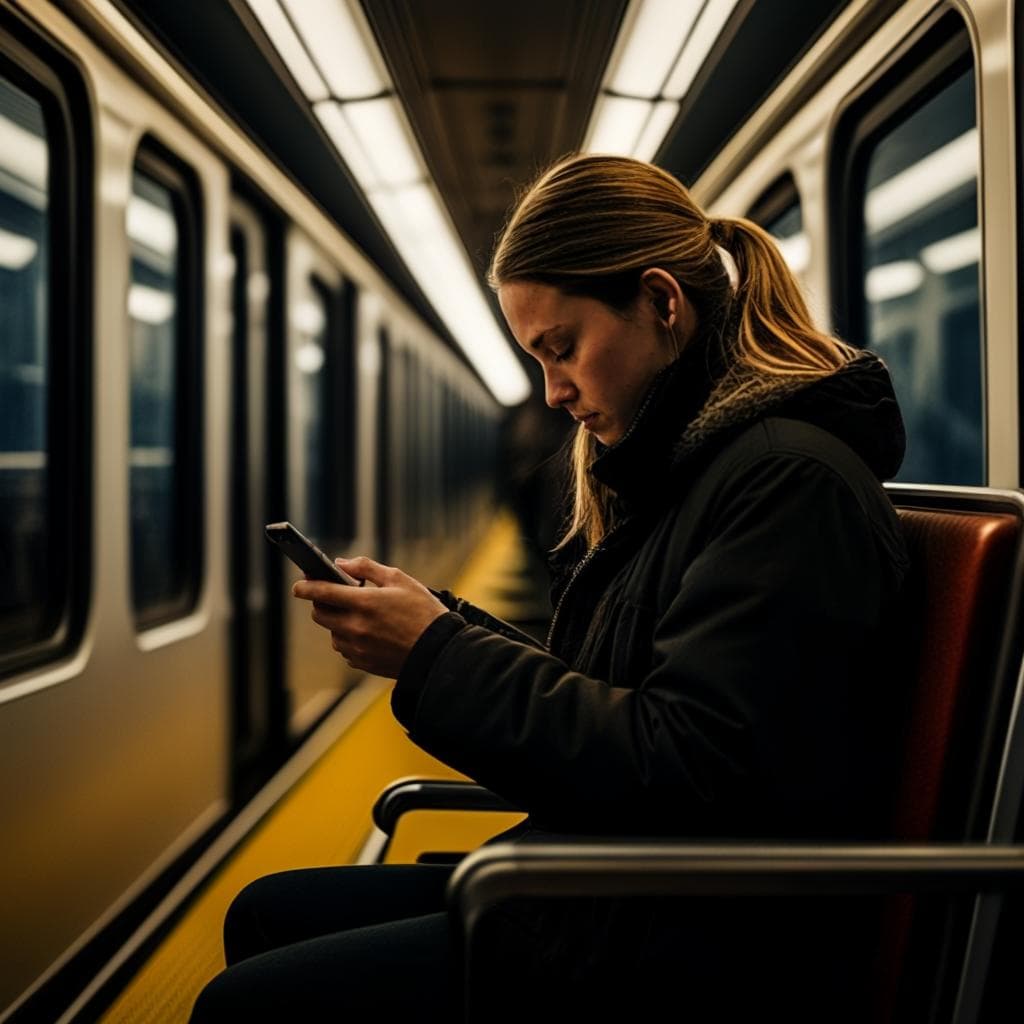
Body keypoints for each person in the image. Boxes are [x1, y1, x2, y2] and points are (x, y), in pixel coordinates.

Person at [190, 154, 909, 1021]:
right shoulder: (697, 472)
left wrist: (435, 654)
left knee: (246, 1003)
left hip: (691, 945)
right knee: (264, 911)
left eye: (561, 349)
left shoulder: (786, 485)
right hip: (622, 894)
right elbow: (621, 695)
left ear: (662, 303)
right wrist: (440, 626)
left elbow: (684, 767)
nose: (553, 391)